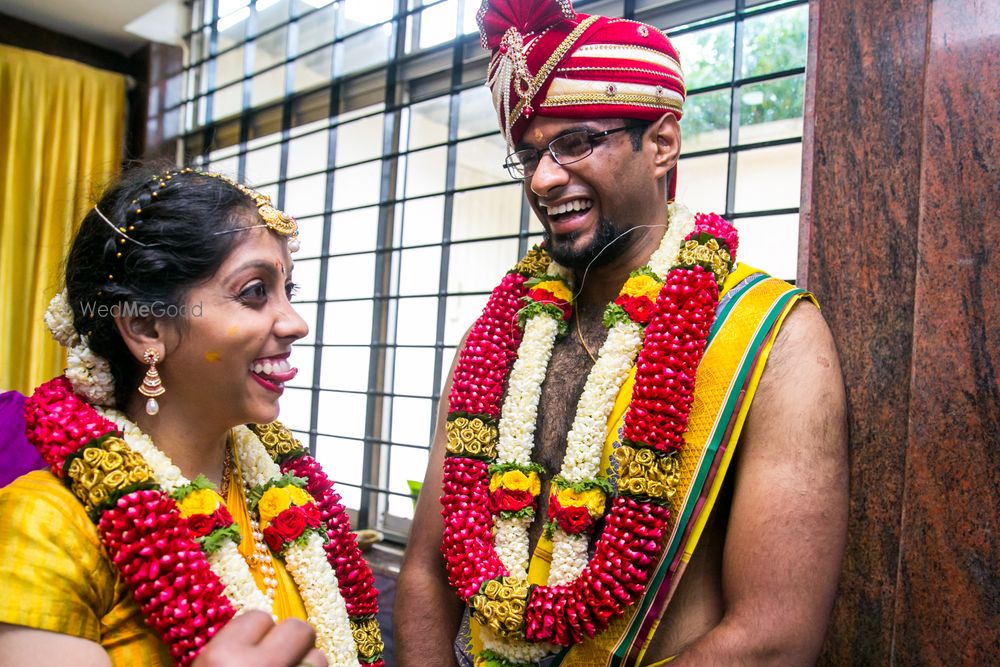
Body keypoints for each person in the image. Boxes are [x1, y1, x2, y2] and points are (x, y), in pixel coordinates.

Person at [394, 0, 848, 665]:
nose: (545, 179)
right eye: (529, 156)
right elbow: (427, 573)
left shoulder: (774, 341)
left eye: (576, 142)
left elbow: (772, 638)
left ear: (662, 143)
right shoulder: (496, 339)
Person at [0, 167, 385, 667]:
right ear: (145, 327)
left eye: (290, 289)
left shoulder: (281, 492)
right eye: (254, 291)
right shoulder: (45, 528)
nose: (295, 322)